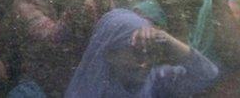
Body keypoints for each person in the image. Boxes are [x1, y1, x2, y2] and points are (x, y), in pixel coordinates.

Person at [63, 9, 219, 97]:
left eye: (150, 53)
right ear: (110, 53)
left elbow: (208, 74)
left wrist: (165, 39)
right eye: (138, 53)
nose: (145, 62)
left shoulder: (156, 82)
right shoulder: (85, 92)